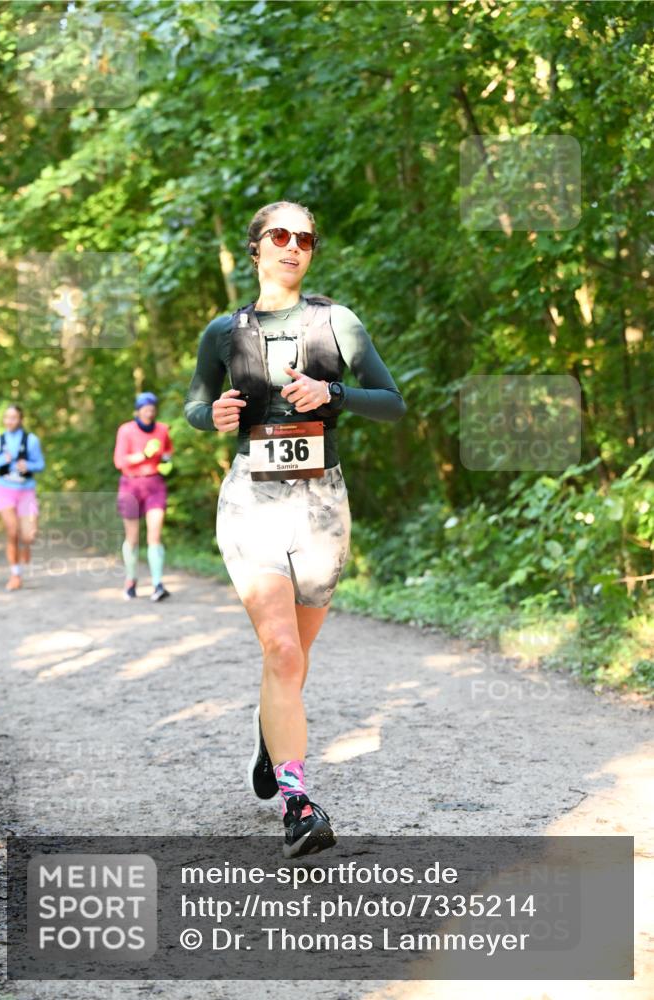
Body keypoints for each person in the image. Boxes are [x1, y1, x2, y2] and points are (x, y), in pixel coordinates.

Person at [184, 200, 406, 858]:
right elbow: (196, 403)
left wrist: (333, 395)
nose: (293, 246)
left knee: (294, 659)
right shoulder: (224, 333)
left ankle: (269, 732)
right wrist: (213, 414)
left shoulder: (335, 323)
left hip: (321, 506)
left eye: (305, 238)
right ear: (254, 248)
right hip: (250, 501)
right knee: (280, 649)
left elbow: (391, 403)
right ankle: (298, 804)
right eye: (279, 235)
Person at [113, 392, 174, 602]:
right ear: (138, 410)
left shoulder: (162, 429)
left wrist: (167, 464)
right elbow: (119, 462)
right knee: (132, 537)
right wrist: (144, 455)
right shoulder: (126, 430)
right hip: (130, 485)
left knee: (154, 536)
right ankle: (131, 581)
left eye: (152, 408)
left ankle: (157, 584)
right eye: (145, 408)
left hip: (154, 484)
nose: (149, 411)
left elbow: (167, 453)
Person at [0, 404, 45, 591]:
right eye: (7, 417)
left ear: (21, 419)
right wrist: (0, 461)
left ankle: (26, 545)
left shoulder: (31, 440)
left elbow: (40, 464)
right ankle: (15, 574)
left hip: (26, 491)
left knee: (28, 535)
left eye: (13, 417)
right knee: (12, 531)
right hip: (5, 490)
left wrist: (28, 465)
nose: (9, 421)